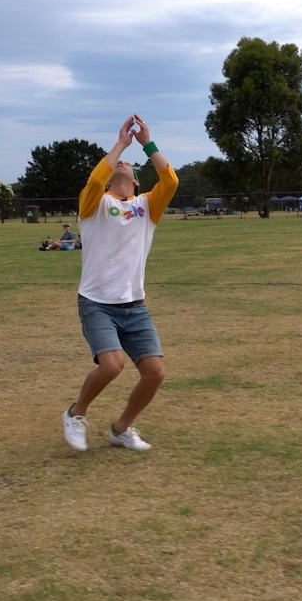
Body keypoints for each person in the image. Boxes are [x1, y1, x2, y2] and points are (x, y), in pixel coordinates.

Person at [62, 114, 178, 451]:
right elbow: (96, 179)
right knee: (113, 365)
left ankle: (121, 429)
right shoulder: (94, 205)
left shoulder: (147, 206)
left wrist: (147, 144)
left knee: (155, 372)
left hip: (134, 304)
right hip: (97, 302)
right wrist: (121, 143)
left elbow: (169, 181)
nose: (122, 164)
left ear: (137, 184)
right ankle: (75, 413)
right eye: (117, 164)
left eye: (126, 163)